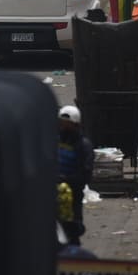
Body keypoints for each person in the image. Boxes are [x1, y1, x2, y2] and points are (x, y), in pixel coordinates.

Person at [56, 105, 96, 246]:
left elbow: (85, 174)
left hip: (72, 194)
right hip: (54, 193)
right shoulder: (56, 140)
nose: (62, 126)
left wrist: (66, 180)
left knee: (72, 229)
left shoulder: (83, 145)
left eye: (66, 123)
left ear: (74, 124)